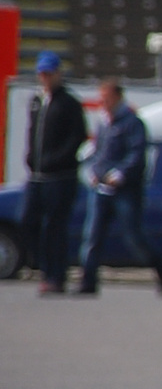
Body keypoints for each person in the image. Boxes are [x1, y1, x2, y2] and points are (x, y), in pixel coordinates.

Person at [78, 79, 162, 296]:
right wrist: (94, 172)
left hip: (125, 191)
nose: (104, 103)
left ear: (118, 97)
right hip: (101, 190)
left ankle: (160, 265)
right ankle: (88, 283)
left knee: (133, 237)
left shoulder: (132, 122)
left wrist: (119, 174)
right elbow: (98, 152)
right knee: (92, 236)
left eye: (107, 98)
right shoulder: (103, 122)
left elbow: (137, 155)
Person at [19, 51, 86, 295]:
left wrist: (57, 159)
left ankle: (56, 275)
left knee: (54, 227)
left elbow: (77, 137)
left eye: (49, 73)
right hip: (37, 176)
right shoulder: (37, 101)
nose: (45, 78)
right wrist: (30, 157)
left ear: (58, 74)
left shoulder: (68, 103)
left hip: (60, 177)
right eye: (42, 74)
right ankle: (42, 266)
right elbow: (32, 132)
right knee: (28, 221)